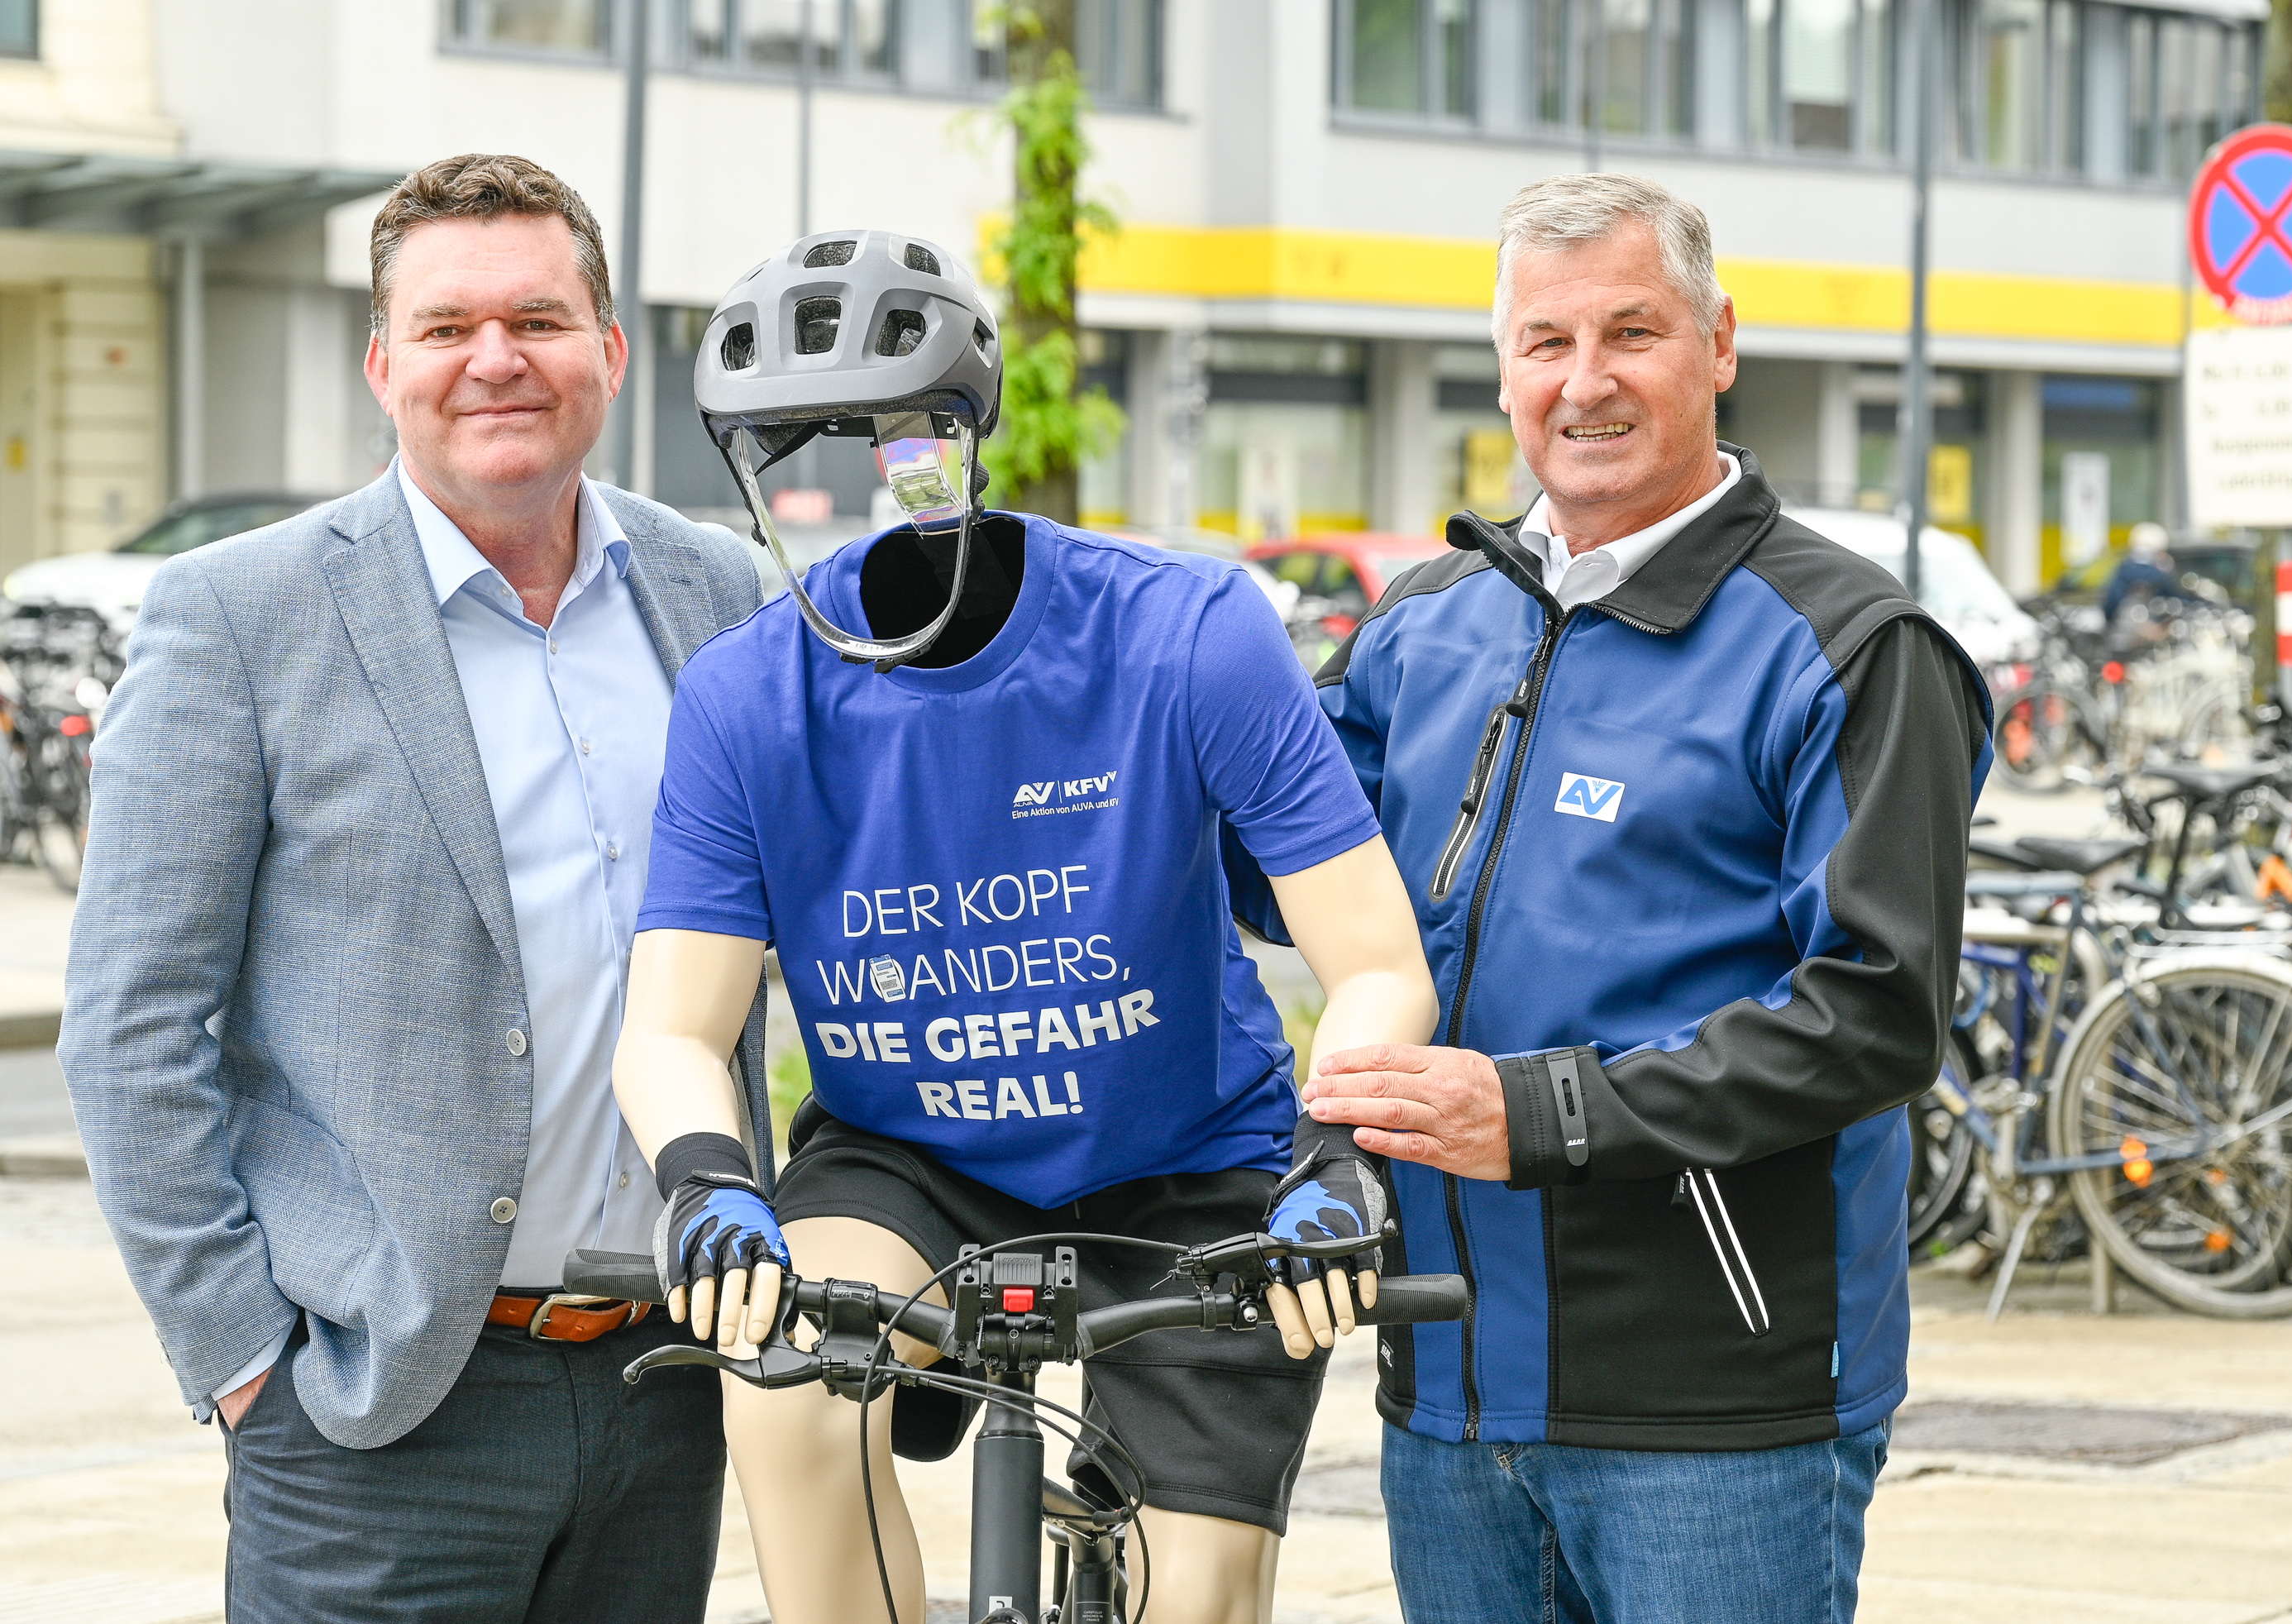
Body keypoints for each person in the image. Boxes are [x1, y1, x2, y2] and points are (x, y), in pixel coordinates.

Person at [607, 230, 1440, 1624]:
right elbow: (673, 1029)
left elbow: (1375, 963)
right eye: (807, 448)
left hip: (1192, 1162)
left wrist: (1340, 1160)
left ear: (963, 438)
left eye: (904, 434)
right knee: (787, 1390)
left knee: (1200, 1591)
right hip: (912, 1157)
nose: (878, 470)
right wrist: (707, 1186)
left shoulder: (1189, 632)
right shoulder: (746, 697)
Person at [58, 153, 767, 1622]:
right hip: (379, 1413)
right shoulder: (239, 618)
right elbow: (130, 1029)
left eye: (539, 319)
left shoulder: (712, 590)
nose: (496, 358)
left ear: (609, 351)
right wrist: (247, 1363)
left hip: (668, 1385)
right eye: (448, 327)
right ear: (384, 365)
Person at [1286, 173, 1991, 1622]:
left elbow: (1877, 1012)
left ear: (1719, 343)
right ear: (1504, 372)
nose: (1585, 381)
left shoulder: (1851, 645)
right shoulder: (1423, 627)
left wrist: (1539, 1115)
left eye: (1632, 333)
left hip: (1716, 1405)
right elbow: (1281, 865)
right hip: (1449, 1384)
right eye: (1545, 342)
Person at [2100, 521, 2185, 622]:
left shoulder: (2124, 570)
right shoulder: (2161, 573)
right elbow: (2176, 600)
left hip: (2126, 627)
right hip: (2157, 626)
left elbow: (2111, 603)